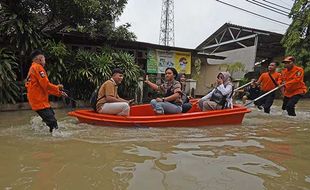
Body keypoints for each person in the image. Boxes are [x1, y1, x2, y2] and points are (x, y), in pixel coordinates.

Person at [25, 50, 68, 133]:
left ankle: (42, 129)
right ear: (40, 59)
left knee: (51, 118)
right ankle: (54, 141)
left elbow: (43, 87)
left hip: (38, 100)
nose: (45, 61)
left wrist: (59, 92)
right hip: (39, 102)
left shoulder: (32, 68)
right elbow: (46, 85)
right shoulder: (38, 67)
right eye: (44, 59)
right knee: (53, 124)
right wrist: (58, 88)